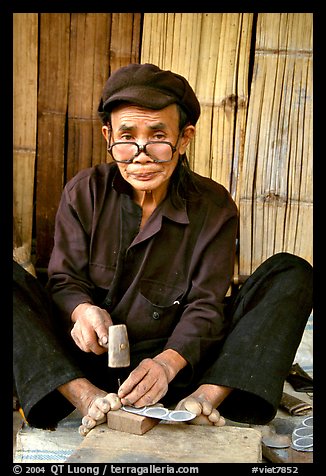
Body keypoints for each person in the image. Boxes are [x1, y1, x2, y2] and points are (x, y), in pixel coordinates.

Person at [13, 63, 313, 436]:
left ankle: (204, 399)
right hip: (85, 362)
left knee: (292, 271)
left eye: (158, 136)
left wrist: (169, 364)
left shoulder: (214, 206)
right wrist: (82, 311)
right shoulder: (85, 191)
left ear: (184, 138)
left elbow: (207, 305)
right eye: (127, 137)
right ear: (108, 136)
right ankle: (85, 398)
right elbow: (63, 280)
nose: (141, 155)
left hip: (181, 369)